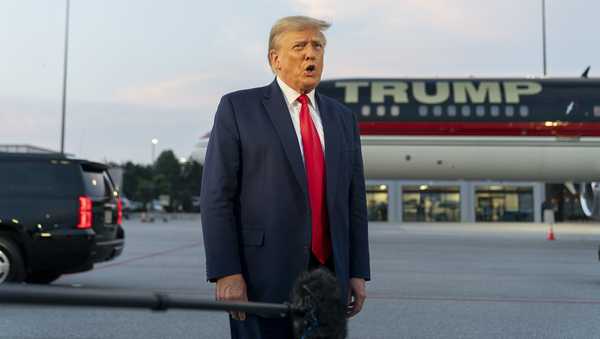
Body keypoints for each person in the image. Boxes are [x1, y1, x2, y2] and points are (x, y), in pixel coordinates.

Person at [200, 15, 370, 338]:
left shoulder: (342, 119)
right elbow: (216, 196)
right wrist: (226, 272)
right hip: (260, 277)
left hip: (329, 276)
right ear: (275, 60)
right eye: (300, 46)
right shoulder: (238, 109)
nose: (311, 54)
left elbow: (354, 201)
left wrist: (358, 271)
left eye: (317, 46)